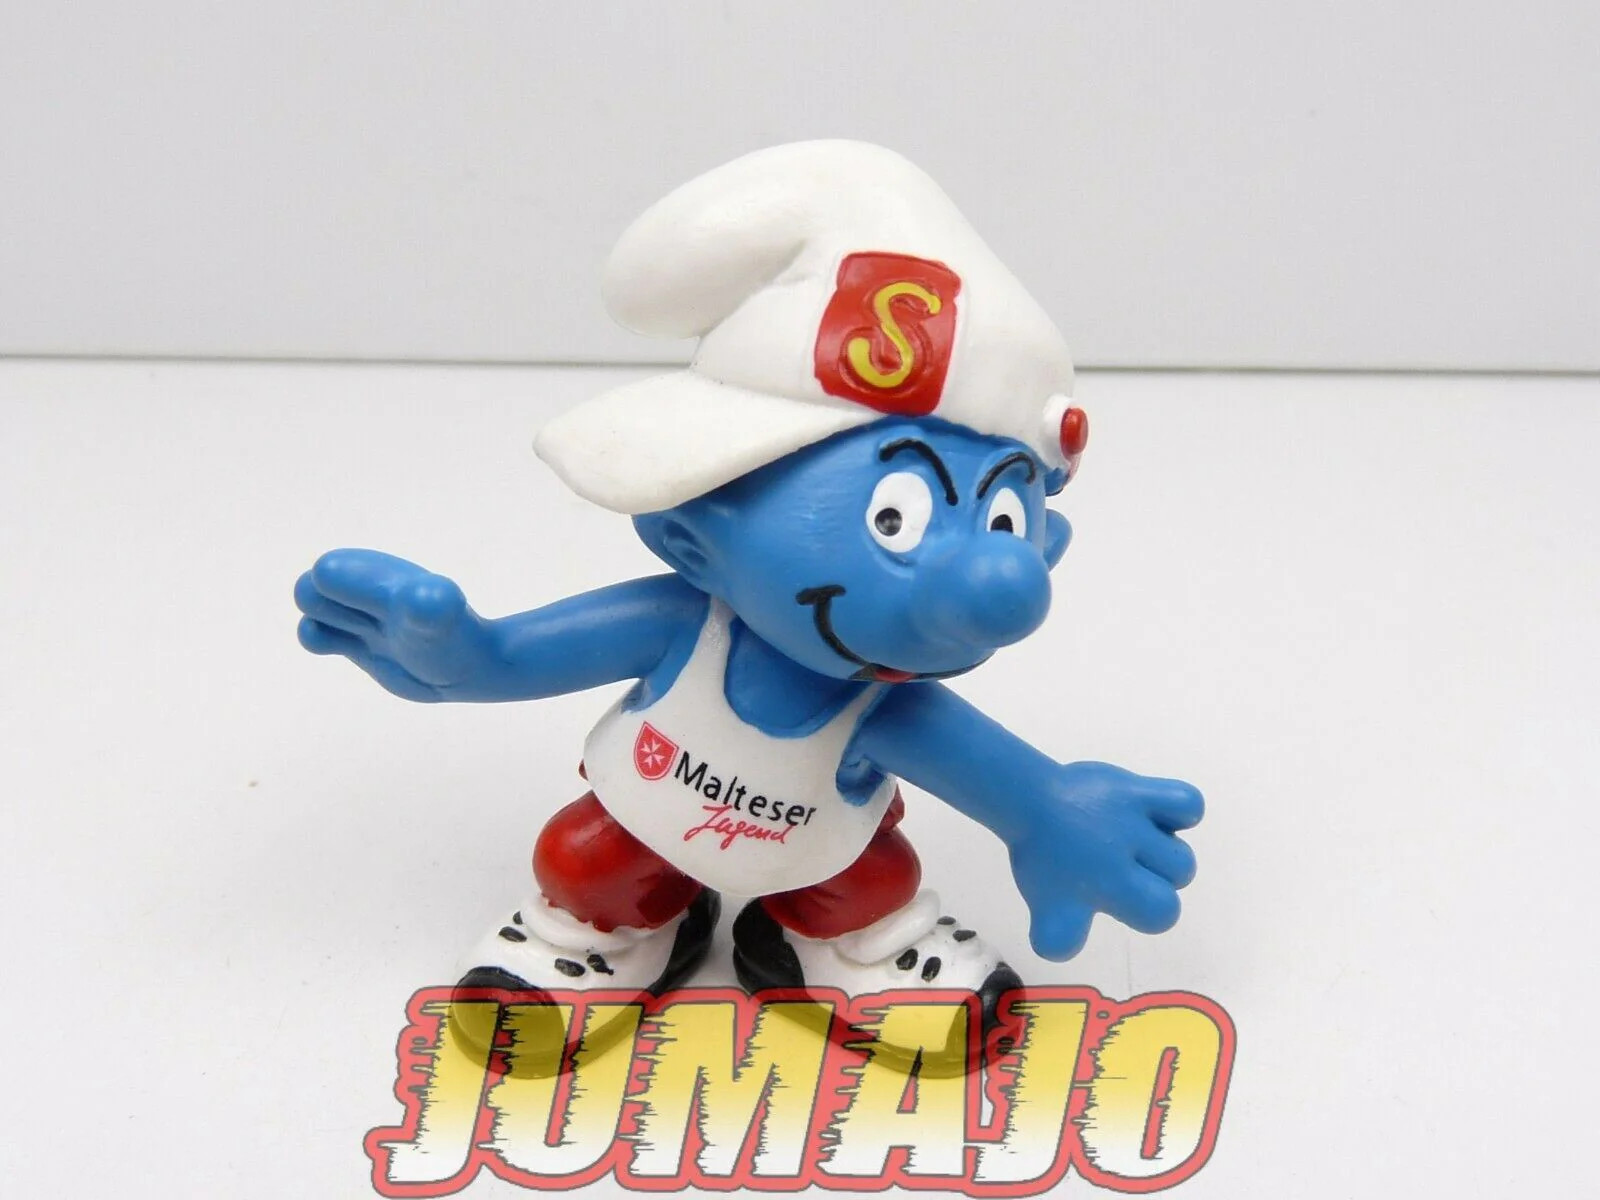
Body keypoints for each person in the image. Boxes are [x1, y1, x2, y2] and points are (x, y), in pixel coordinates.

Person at [295, 142, 1202, 1033]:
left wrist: (1051, 811)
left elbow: (1000, 780)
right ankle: (605, 931)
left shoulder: (887, 702)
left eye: (1004, 521)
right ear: (690, 541)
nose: (999, 583)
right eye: (895, 518)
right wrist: (459, 657)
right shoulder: (676, 622)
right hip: (648, 814)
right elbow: (511, 657)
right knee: (587, 858)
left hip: (818, 845)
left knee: (867, 880)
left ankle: (841, 944)